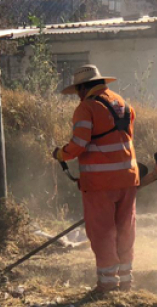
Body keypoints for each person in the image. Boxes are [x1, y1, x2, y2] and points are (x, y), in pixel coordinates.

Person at [53, 65, 140, 293]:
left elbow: (78, 145)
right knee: (125, 229)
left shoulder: (86, 108)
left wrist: (60, 154)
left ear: (82, 88)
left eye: (77, 92)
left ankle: (108, 284)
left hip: (101, 183)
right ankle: (126, 280)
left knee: (102, 231)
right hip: (129, 179)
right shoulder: (122, 103)